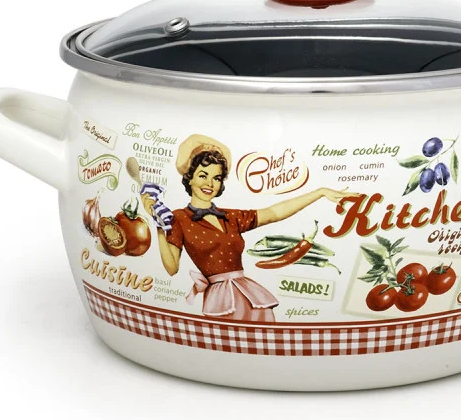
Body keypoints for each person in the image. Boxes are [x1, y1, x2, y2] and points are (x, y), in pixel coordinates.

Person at [141, 134, 350, 322]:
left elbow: (274, 213)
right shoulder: (179, 218)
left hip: (248, 293)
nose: (210, 184)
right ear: (190, 179)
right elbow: (172, 268)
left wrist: (320, 192)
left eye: (216, 178)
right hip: (220, 299)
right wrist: (159, 225)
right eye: (203, 175)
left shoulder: (230, 217)